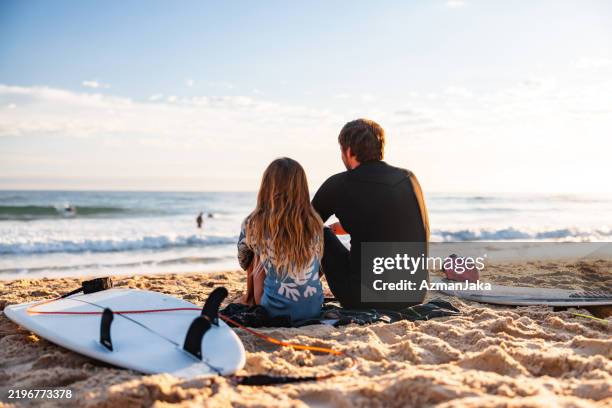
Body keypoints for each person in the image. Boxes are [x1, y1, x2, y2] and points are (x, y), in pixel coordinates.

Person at [312, 118, 430, 310]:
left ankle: (300, 285)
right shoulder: (408, 178)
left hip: (362, 298)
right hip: (414, 293)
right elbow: (389, 220)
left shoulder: (340, 184)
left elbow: (300, 225)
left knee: (317, 232)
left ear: (349, 151)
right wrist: (347, 226)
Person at [237, 158, 325, 321]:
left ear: (267, 187)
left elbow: (243, 261)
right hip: (313, 308)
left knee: (254, 255)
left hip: (272, 310)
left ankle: (249, 299)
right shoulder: (315, 222)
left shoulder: (255, 222)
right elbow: (319, 267)